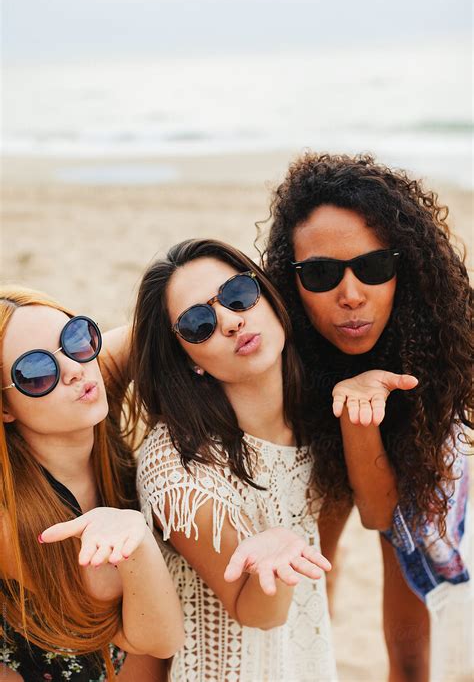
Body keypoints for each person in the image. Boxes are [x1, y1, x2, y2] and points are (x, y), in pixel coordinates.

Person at [128, 237, 416, 682]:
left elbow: (379, 513)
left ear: (268, 295)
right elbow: (256, 613)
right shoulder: (178, 466)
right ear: (189, 360)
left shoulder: (313, 421)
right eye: (197, 323)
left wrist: (358, 415)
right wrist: (275, 560)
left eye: (238, 295)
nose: (229, 321)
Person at [261, 152, 473, 682]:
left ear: (407, 266)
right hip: (312, 407)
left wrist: (362, 414)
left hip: (411, 416)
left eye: (374, 267)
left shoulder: (445, 344)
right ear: (292, 281)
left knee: (408, 589)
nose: (351, 295)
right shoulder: (273, 342)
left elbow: (383, 516)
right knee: (311, 569)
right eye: (321, 273)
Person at [0, 286, 184, 682]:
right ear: (4, 407)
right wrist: (134, 534)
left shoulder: (89, 383)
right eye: (36, 372)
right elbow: (158, 637)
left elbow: (171, 315)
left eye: (76, 338)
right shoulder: (21, 522)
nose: (72, 369)